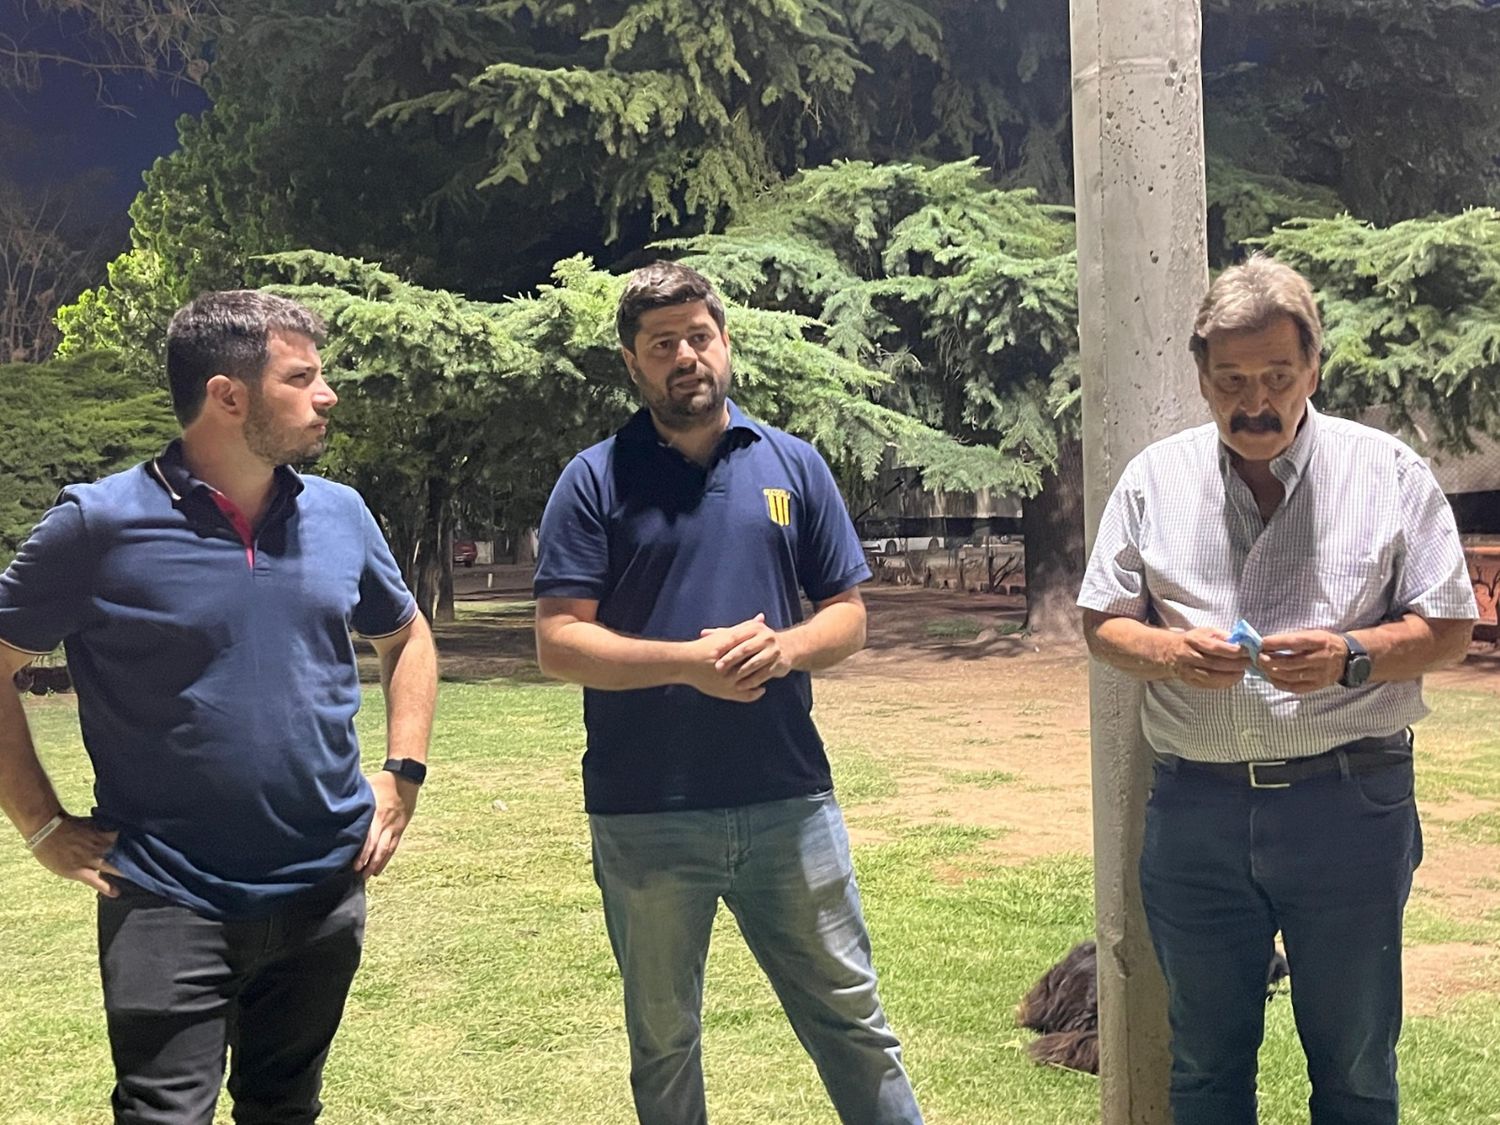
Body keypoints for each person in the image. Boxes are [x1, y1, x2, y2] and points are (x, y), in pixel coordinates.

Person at [0, 290, 438, 1124]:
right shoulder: (100, 523)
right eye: (302, 376)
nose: (327, 394)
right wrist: (41, 822)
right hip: (168, 894)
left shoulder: (340, 514)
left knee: (285, 1107)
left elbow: (408, 638)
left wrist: (402, 774)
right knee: (163, 1113)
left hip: (323, 887)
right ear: (227, 396)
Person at [1077, 254, 1478, 1125]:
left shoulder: (1389, 473)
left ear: (1315, 368)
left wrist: (1352, 655)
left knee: (1356, 1067)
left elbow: (1450, 627)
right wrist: (1171, 651)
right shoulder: (1153, 479)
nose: (1254, 401)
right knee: (1206, 1068)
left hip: (1349, 805)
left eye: (1277, 376)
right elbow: (1102, 621)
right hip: (1195, 815)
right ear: (1201, 375)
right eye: (1231, 381)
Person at [532, 261, 923, 1125]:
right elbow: (559, 642)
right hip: (646, 810)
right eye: (661, 344)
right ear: (634, 364)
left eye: (698, 337)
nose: (685, 356)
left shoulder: (793, 464)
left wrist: (782, 649)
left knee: (854, 1022)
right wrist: (686, 662)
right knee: (664, 1043)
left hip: (790, 799)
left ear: (726, 342)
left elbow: (848, 617)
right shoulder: (594, 479)